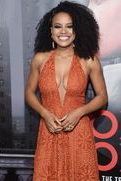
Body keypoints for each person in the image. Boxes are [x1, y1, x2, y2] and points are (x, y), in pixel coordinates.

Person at [25, 1, 107, 180]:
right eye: (58, 27)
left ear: (77, 30)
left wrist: (79, 112)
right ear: (51, 31)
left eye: (69, 27)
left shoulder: (89, 60)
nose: (63, 32)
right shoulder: (40, 59)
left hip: (78, 130)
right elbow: (29, 93)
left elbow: (102, 97)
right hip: (49, 129)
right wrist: (45, 114)